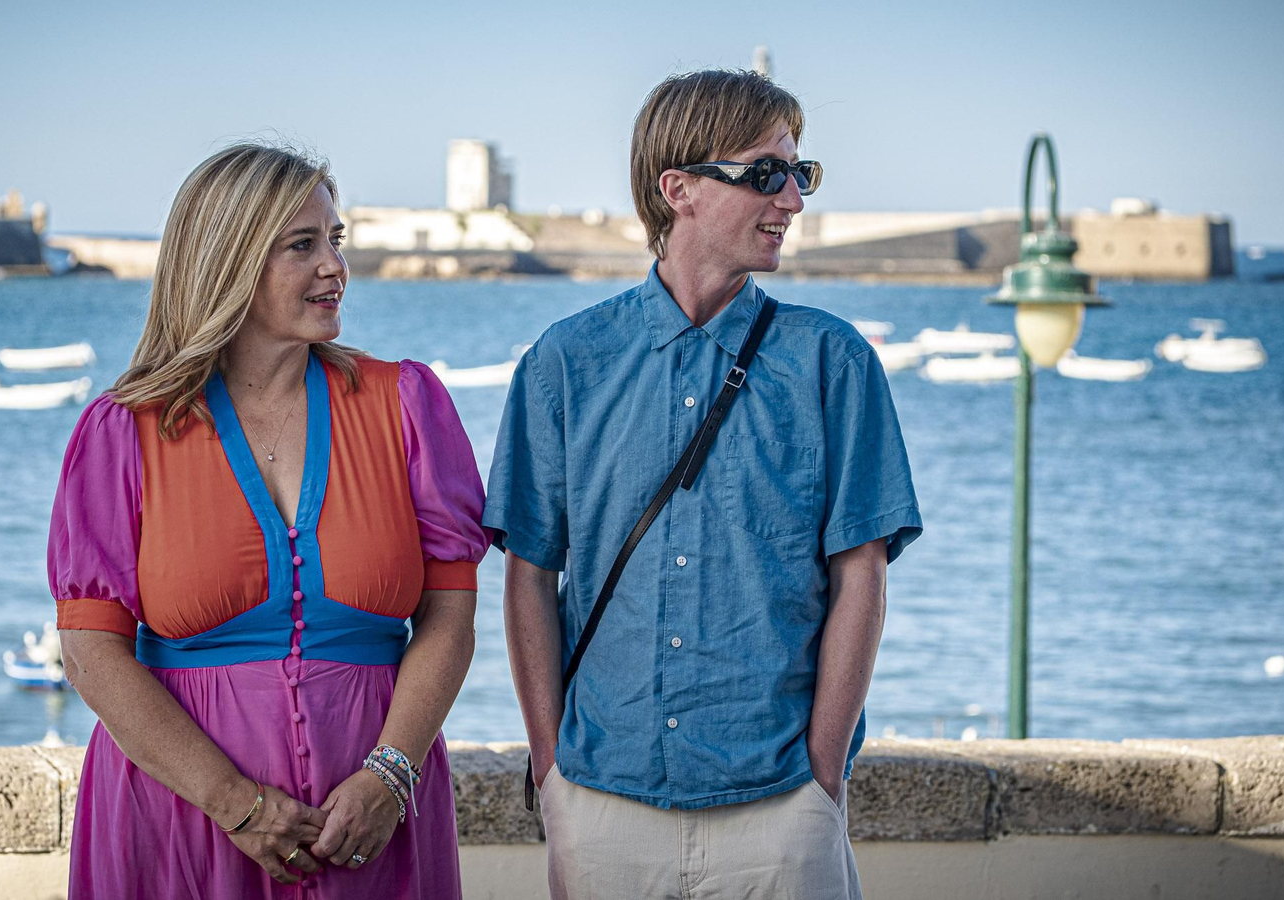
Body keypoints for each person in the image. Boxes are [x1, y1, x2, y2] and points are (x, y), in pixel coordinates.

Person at [484, 70, 922, 899]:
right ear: (677, 189)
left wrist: (820, 780)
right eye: (766, 173)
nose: (792, 198)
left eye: (801, 174)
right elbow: (528, 575)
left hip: (780, 807)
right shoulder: (564, 364)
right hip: (603, 802)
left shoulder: (834, 364)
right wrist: (552, 771)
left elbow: (859, 575)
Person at [50, 143, 488, 898]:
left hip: (373, 824)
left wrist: (390, 774)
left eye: (335, 240)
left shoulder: (407, 405)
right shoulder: (125, 430)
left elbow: (449, 614)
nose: (334, 266)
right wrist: (234, 804)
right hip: (181, 822)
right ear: (229, 262)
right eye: (302, 245)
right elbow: (91, 652)